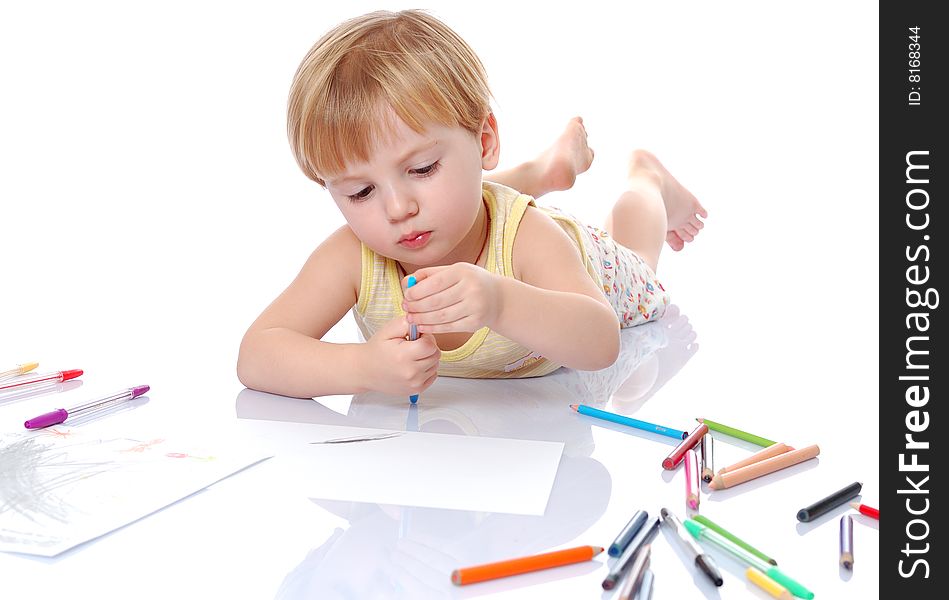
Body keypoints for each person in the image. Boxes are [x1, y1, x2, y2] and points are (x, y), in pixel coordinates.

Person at [237, 9, 707, 399]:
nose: (397, 209)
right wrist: (359, 366)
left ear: (484, 141)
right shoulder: (352, 255)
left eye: (421, 168)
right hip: (473, 211)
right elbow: (258, 353)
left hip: (591, 262)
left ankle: (647, 181)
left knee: (640, 265)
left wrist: (502, 303)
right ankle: (542, 171)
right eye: (360, 192)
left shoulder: (529, 238)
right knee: (449, 205)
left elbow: (600, 342)